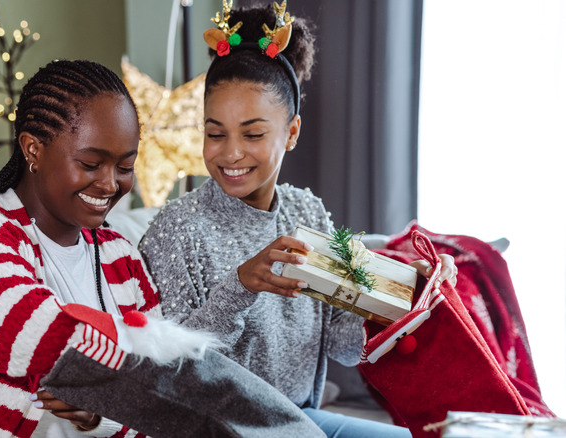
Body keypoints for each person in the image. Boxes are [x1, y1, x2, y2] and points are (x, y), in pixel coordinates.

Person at [0, 59, 325, 438]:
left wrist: (97, 410)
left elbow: (147, 392)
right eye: (90, 162)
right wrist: (109, 383)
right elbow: (45, 341)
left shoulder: (120, 259)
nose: (109, 184)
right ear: (33, 149)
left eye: (124, 166)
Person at [138, 3, 458, 438]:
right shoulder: (177, 229)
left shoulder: (306, 213)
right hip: (219, 428)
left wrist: (392, 300)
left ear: (290, 132)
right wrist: (240, 286)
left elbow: (342, 349)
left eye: (252, 134)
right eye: (215, 133)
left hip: (302, 419)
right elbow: (172, 371)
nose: (230, 152)